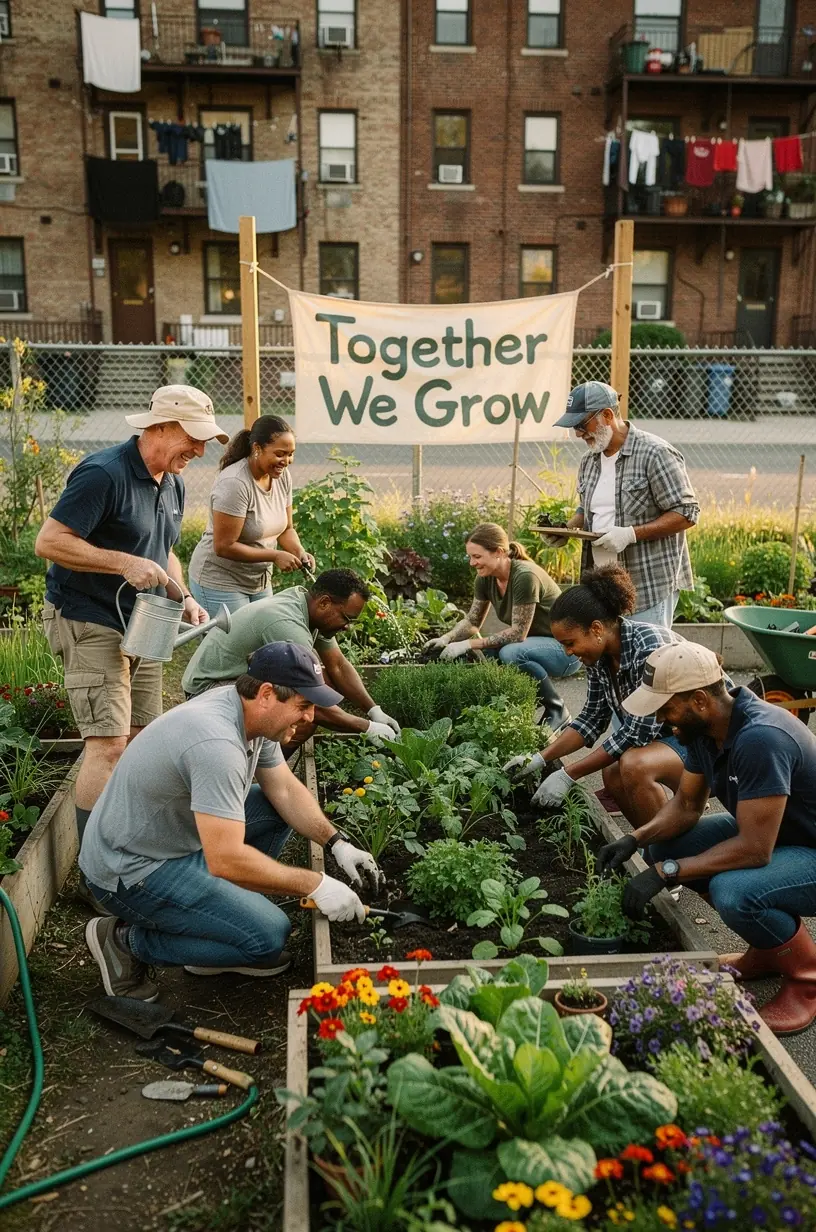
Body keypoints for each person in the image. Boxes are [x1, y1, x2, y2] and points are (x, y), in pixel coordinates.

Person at [81, 642, 382, 1001]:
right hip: (132, 868)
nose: (310, 718)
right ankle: (124, 943)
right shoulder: (216, 743)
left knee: (274, 808)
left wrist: (337, 843)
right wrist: (314, 884)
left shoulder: (251, 713)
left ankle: (219, 922)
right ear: (267, 694)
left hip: (174, 839)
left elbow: (284, 790)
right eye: (303, 706)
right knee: (267, 938)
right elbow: (225, 858)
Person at [35, 385, 220, 897]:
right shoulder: (104, 473)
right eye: (193, 438)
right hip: (90, 616)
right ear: (159, 427)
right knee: (109, 746)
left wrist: (180, 593)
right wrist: (122, 561)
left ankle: (126, 847)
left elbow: (164, 552)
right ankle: (93, 874)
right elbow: (48, 541)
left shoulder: (172, 482)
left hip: (144, 621)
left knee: (142, 742)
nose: (200, 451)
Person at [599, 641, 816, 1037]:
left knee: (734, 891)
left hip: (803, 848)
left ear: (699, 700)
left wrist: (668, 873)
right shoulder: (707, 730)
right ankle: (768, 952)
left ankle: (806, 979)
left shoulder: (760, 739)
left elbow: (753, 849)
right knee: (664, 845)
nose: (664, 721)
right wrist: (635, 838)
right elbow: (685, 804)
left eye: (667, 709)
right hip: (779, 833)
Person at [504, 565, 687, 824]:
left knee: (634, 765)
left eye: (570, 643)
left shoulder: (648, 648)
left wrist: (569, 774)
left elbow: (638, 732)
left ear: (597, 629)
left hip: (708, 742)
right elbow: (590, 719)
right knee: (612, 773)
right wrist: (540, 758)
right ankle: (651, 844)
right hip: (671, 738)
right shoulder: (600, 657)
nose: (568, 652)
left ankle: (673, 847)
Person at [182, 568, 401, 743]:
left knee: (318, 692)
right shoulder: (287, 624)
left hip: (235, 678)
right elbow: (312, 698)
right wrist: (368, 729)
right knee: (302, 714)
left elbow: (338, 666)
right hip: (207, 690)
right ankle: (263, 777)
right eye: (346, 618)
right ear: (325, 602)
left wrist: (374, 710)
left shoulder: (309, 607)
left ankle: (267, 770)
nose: (347, 627)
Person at [547, 380, 699, 629]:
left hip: (646, 584)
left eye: (582, 424)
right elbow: (588, 509)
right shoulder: (589, 460)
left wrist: (631, 534)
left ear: (607, 415)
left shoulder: (655, 453)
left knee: (648, 659)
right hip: (602, 585)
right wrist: (566, 529)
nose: (578, 433)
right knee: (611, 662)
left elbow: (687, 513)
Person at [423, 523, 579, 730]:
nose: (472, 563)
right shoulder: (485, 579)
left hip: (567, 649)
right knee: (491, 654)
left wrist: (468, 644)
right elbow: (472, 621)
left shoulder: (524, 577)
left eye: (477, 557)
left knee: (510, 652)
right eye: (470, 557)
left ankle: (557, 709)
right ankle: (513, 712)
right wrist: (447, 638)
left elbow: (518, 633)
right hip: (535, 645)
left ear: (498, 552)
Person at [188, 414, 315, 618]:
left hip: (258, 581)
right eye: (280, 454)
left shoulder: (281, 477)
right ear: (257, 448)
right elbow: (224, 546)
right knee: (231, 647)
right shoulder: (235, 483)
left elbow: (287, 529)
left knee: (261, 642)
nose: (287, 461)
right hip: (220, 580)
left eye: (291, 454)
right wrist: (275, 556)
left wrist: (299, 552)